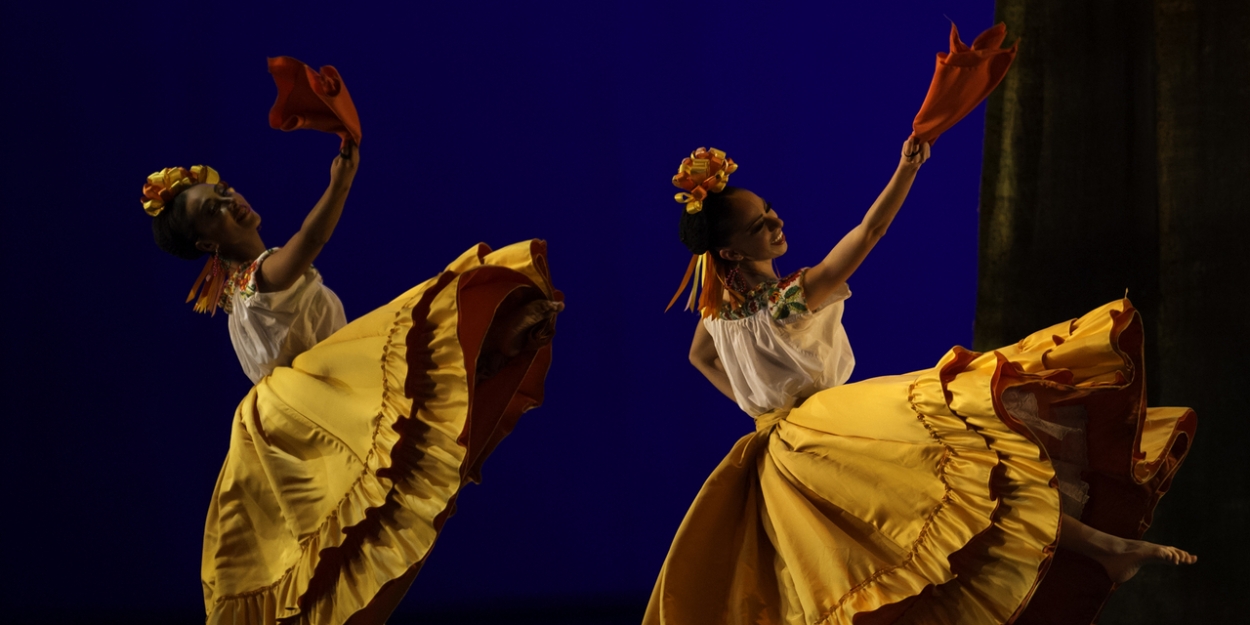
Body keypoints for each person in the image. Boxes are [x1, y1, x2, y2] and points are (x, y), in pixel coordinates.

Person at [645, 141, 1196, 624]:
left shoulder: (717, 314)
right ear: (733, 252)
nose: (775, 222)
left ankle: (1102, 546)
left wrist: (758, 410)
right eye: (759, 225)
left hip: (786, 450)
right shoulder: (787, 301)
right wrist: (905, 170)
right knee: (966, 467)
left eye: (769, 211)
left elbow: (701, 359)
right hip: (828, 428)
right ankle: (1102, 546)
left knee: (953, 496)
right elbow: (870, 232)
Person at [144, 143, 564, 625]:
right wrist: (340, 182)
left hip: (303, 410)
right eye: (212, 210)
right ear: (205, 243)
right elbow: (312, 237)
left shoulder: (243, 284)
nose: (229, 201)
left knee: (347, 535)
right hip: (312, 406)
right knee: (419, 342)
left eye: (222, 191)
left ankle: (494, 343)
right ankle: (496, 333)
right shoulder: (262, 279)